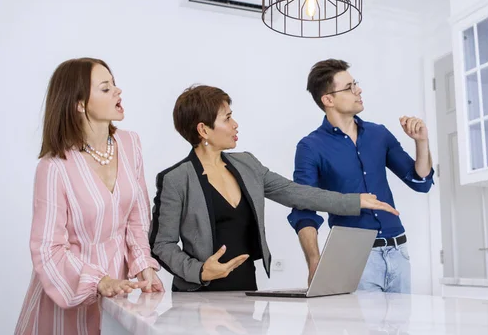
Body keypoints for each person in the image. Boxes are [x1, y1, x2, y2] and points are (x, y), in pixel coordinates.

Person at [149, 85, 399, 292]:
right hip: (198, 295)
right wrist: (201, 270)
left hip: (245, 287)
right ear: (203, 129)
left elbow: (297, 193)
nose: (235, 124)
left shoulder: (247, 164)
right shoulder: (176, 179)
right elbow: (162, 245)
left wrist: (354, 201)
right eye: (227, 118)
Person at [15, 58, 163, 335]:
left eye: (114, 85)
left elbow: (136, 219)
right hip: (66, 300)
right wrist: (99, 281)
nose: (118, 91)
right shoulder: (53, 167)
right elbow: (49, 248)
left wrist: (143, 266)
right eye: (106, 88)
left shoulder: (130, 144)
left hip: (118, 297)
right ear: (79, 104)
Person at [287, 59, 434, 293]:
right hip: (353, 259)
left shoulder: (379, 134)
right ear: (328, 100)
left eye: (356, 84)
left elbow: (421, 182)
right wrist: (315, 263)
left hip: (398, 252)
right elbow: (304, 209)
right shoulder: (310, 147)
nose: (359, 90)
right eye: (349, 87)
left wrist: (422, 141)